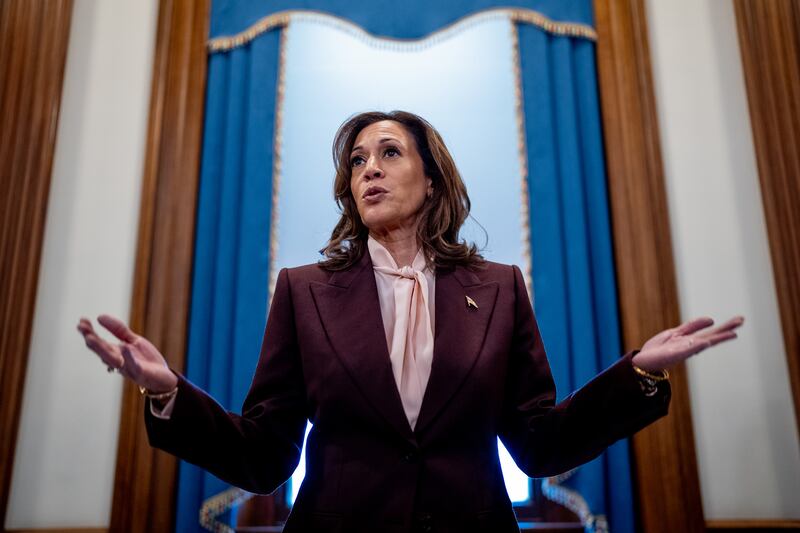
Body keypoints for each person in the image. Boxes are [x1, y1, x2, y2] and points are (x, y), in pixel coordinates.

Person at [78, 111, 743, 533]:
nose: (368, 168)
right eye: (358, 160)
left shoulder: (501, 288)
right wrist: (168, 392)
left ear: (432, 182)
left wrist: (639, 376)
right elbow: (263, 456)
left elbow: (541, 443)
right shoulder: (304, 291)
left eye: (389, 152)